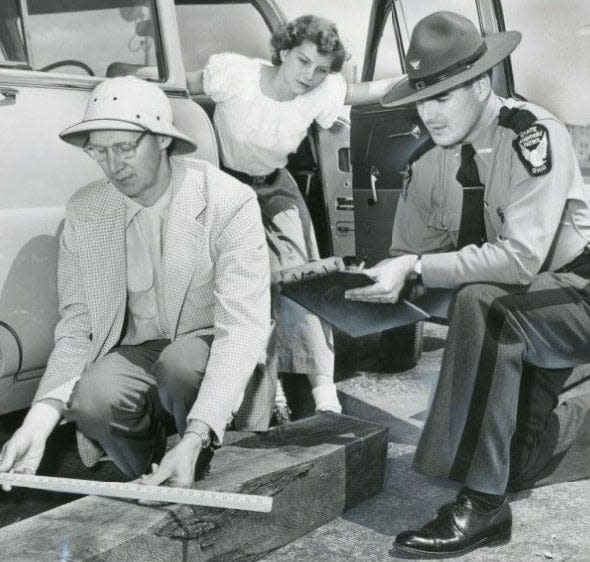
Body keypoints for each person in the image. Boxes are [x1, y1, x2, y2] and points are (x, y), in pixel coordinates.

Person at [345, 12, 590, 558]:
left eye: (443, 97)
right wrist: (353, 290)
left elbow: (521, 260)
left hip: (577, 292)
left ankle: (482, 507)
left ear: (480, 85)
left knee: (484, 303)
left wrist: (417, 269)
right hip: (524, 312)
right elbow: (408, 259)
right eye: (421, 99)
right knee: (512, 460)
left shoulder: (532, 134)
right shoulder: (426, 162)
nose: (428, 113)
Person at [0, 76, 271, 490]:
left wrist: (194, 436)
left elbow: (243, 329)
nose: (113, 165)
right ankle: (149, 476)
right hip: (138, 352)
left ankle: (201, 455)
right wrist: (38, 421)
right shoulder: (85, 211)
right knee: (91, 398)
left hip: (206, 344)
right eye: (99, 151)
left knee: (177, 367)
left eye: (125, 147)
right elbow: (76, 329)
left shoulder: (229, 202)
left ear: (161, 140)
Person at [186, 15, 401, 419]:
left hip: (276, 186)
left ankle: (325, 396)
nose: (311, 75)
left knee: (304, 276)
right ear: (284, 52)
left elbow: (363, 91)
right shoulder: (235, 74)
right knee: (252, 281)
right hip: (228, 186)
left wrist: (415, 80)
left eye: (321, 69)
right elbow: (180, 86)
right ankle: (274, 391)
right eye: (303, 61)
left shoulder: (320, 93)